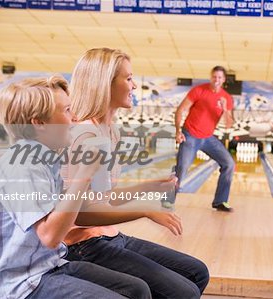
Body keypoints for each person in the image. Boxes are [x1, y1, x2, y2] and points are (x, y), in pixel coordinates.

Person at [0, 76, 150, 299]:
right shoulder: (22, 164)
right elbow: (51, 235)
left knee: (135, 289)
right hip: (17, 283)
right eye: (67, 110)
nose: (76, 117)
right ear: (39, 123)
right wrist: (84, 175)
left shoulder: (44, 160)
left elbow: (74, 213)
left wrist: (143, 197)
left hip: (46, 265)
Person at [62, 48, 210, 299]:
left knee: (196, 272)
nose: (135, 85)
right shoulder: (84, 136)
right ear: (105, 84)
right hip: (83, 246)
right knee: (183, 292)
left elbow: (102, 197)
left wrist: (147, 187)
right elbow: (80, 213)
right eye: (128, 78)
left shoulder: (110, 132)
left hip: (109, 237)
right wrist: (144, 209)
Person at [172, 66, 235, 212]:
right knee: (181, 169)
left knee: (229, 164)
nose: (216, 80)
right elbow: (180, 110)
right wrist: (178, 131)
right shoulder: (199, 90)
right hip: (190, 135)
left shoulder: (226, 98)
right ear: (211, 77)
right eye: (214, 77)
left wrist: (225, 109)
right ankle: (167, 201)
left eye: (220, 77)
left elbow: (229, 125)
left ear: (224, 80)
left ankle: (220, 201)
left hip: (208, 138)